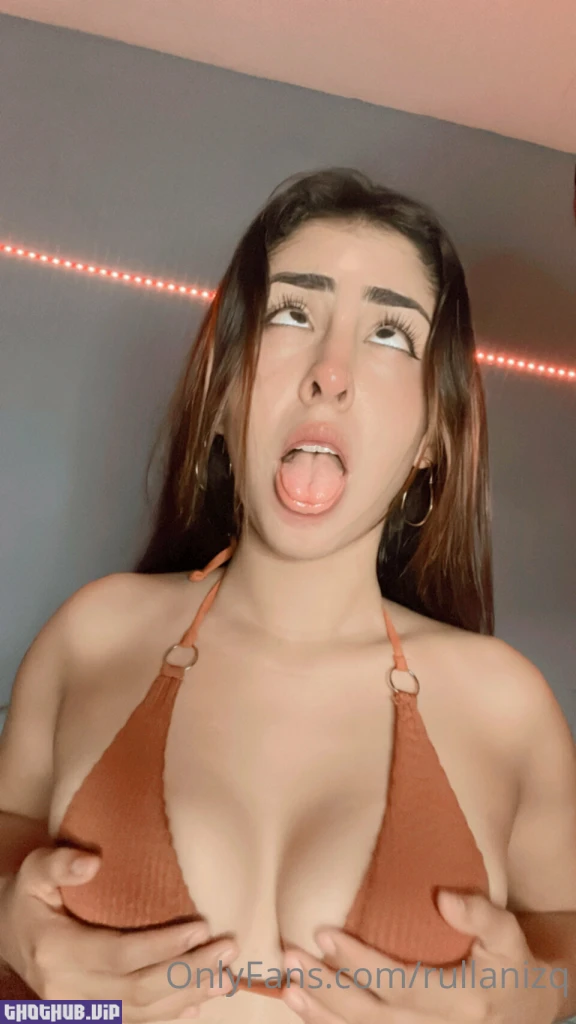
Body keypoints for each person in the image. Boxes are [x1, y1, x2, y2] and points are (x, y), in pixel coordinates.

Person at [0, 168, 575, 1024]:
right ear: (224, 395)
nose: (330, 374)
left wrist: (523, 1000)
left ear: (433, 436)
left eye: (390, 333)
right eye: (292, 314)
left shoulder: (509, 707)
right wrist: (9, 935)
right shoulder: (91, 637)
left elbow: (562, 948)